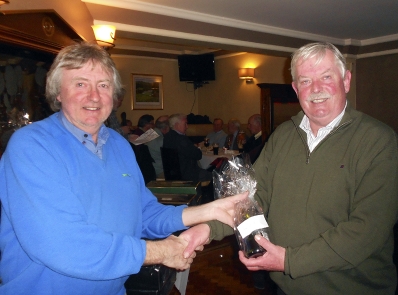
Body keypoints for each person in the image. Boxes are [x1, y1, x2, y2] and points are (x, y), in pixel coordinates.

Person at [0, 42, 247, 295]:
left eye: (103, 85)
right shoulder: (33, 146)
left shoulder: (118, 145)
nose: (94, 96)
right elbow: (64, 245)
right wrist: (161, 251)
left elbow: (143, 214)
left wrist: (207, 211)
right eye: (80, 83)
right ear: (58, 93)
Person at [181, 42, 398, 295]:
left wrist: (289, 261)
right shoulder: (283, 135)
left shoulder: (379, 141)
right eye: (306, 81)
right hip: (285, 286)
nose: (316, 89)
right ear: (296, 88)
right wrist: (207, 229)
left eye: (326, 77)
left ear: (346, 80)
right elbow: (251, 198)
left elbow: (367, 230)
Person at [163, 113, 212, 182]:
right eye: (185, 124)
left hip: (172, 173)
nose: (187, 127)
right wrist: (196, 148)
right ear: (177, 125)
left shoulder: (167, 137)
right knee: (214, 175)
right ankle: (202, 192)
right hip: (187, 174)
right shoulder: (181, 139)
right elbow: (198, 155)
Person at [131, 114, 156, 184]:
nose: (153, 126)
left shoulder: (138, 131)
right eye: (152, 123)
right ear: (146, 124)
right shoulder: (140, 134)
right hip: (142, 165)